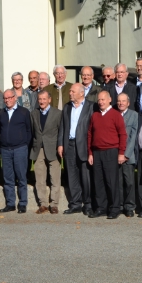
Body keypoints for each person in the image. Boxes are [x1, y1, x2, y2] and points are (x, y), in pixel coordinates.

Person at [87, 91, 127, 219]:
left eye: (103, 99)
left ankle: (114, 208)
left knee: (111, 181)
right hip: (97, 152)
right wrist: (90, 153)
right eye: (99, 100)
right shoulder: (95, 115)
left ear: (110, 100)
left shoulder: (116, 115)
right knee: (98, 181)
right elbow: (90, 134)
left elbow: (122, 134)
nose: (100, 102)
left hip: (111, 151)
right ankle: (101, 208)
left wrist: (121, 153)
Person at [58, 83, 94, 215]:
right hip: (69, 144)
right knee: (72, 175)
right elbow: (63, 126)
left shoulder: (91, 106)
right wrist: (60, 144)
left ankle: (88, 203)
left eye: (73, 91)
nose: (70, 93)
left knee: (85, 176)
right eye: (70, 91)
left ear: (81, 93)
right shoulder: (67, 107)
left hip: (84, 145)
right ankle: (75, 204)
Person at [0, 89, 32, 213]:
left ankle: (22, 203)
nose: (7, 100)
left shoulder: (24, 112)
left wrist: (24, 144)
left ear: (15, 98)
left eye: (9, 97)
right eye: (5, 98)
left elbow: (29, 130)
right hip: (5, 150)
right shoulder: (1, 113)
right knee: (8, 178)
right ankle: (10, 203)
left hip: (20, 149)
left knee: (21, 177)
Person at [30, 91, 63, 214]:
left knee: (55, 178)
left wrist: (60, 146)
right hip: (38, 148)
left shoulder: (57, 113)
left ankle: (54, 204)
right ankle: (43, 204)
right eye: (40, 99)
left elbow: (61, 131)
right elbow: (32, 131)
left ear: (49, 99)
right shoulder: (34, 113)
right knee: (40, 178)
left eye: (44, 99)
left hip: (53, 148)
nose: (42, 101)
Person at [117, 93, 138, 217]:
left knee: (129, 182)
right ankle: (119, 206)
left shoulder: (134, 115)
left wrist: (125, 154)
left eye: (123, 101)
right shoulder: (114, 114)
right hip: (116, 155)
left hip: (128, 155)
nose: (121, 103)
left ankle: (129, 206)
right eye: (119, 101)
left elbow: (133, 136)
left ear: (128, 103)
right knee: (118, 182)